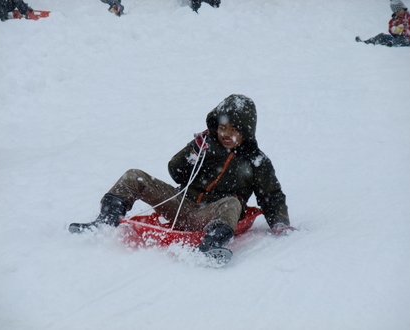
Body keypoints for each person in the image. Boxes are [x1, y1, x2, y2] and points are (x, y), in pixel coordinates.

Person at [69, 94, 292, 260]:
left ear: (245, 131)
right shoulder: (206, 143)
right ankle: (104, 223)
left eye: (233, 129)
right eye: (222, 127)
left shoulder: (256, 161)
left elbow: (271, 195)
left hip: (211, 215)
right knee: (134, 176)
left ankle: (211, 245)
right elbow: (175, 172)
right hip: (180, 206)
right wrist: (193, 152)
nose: (225, 134)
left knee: (232, 203)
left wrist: (279, 221)